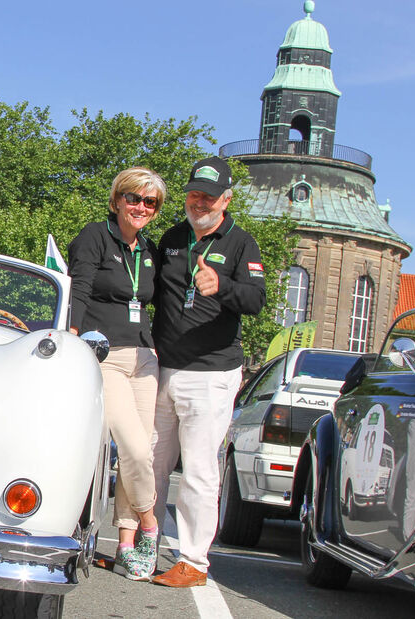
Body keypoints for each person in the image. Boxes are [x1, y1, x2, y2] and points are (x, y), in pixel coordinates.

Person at [150, 156, 266, 587]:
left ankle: (194, 562)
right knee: (149, 463)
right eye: (194, 193)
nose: (200, 202)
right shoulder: (172, 237)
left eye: (209, 196)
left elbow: (256, 300)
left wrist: (223, 287)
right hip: (162, 367)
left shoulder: (241, 243)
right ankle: (145, 546)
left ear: (226, 199)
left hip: (211, 373)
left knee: (198, 470)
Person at [67, 167, 166, 580]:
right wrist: (72, 338)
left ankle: (125, 544)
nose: (140, 207)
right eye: (133, 198)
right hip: (105, 353)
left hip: (145, 358)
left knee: (142, 448)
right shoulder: (94, 236)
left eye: (150, 202)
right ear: (117, 200)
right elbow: (79, 289)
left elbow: (157, 303)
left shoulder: (150, 248)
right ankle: (150, 525)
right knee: (134, 448)